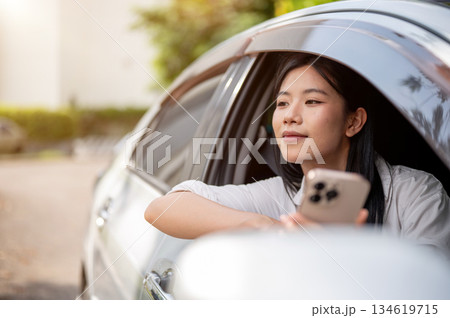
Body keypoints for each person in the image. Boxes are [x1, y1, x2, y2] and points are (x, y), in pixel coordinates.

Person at [145, 53, 450, 256]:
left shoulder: (415, 195)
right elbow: (162, 208)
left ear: (353, 121)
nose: (290, 116)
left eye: (312, 101)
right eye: (281, 103)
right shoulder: (278, 197)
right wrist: (267, 227)